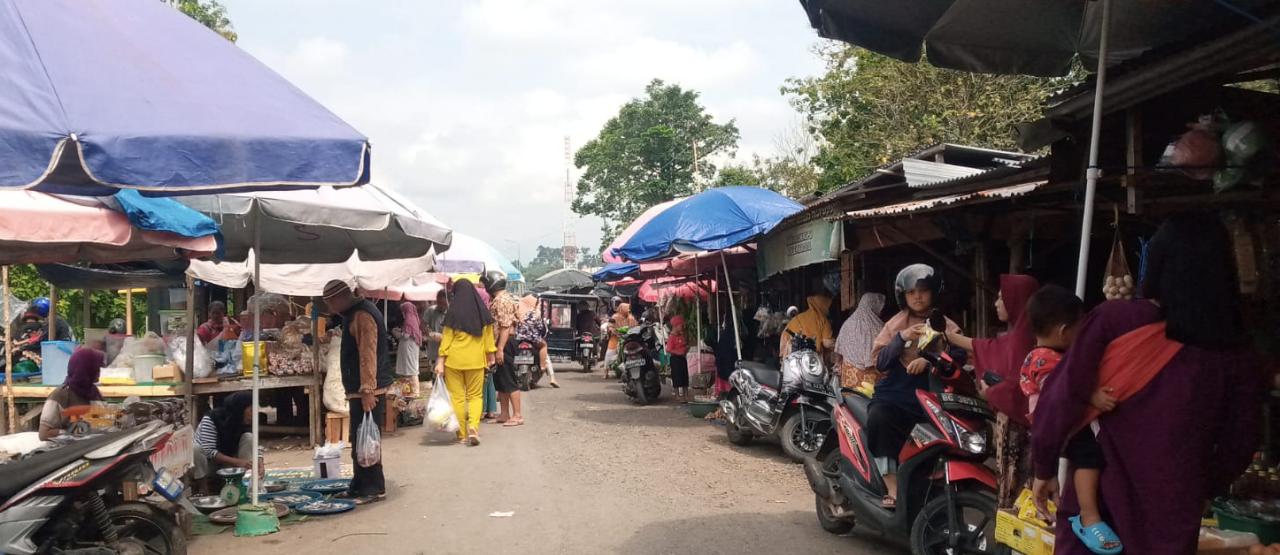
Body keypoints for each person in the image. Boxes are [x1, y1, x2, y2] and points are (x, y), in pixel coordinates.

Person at [1031, 213, 1261, 554]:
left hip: (1098, 498)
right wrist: (1201, 485)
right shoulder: (1235, 353)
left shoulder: (1117, 319)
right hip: (1172, 508)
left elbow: (1063, 393)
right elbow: (1241, 439)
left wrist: (1044, 466)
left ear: (1158, 264)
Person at [1017, 286, 1122, 553]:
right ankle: (1089, 517)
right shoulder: (1046, 360)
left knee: (1084, 460)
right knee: (1090, 457)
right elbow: (1062, 389)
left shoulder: (1036, 354)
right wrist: (1092, 396)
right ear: (1064, 332)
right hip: (1062, 425)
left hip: (1058, 426)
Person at [867, 264, 963, 509]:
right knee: (879, 418)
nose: (917, 296)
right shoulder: (895, 325)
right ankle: (892, 486)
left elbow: (961, 355)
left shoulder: (946, 325)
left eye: (923, 291)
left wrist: (929, 359)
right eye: (911, 292)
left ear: (933, 292)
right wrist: (902, 338)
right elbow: (880, 362)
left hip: (934, 394)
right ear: (904, 295)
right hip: (896, 393)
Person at [945, 274, 1040, 508]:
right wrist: (947, 336)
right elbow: (985, 346)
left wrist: (991, 393)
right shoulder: (1021, 334)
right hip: (1024, 425)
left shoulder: (1021, 340)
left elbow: (1015, 389)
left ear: (1016, 300)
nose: (996, 303)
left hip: (1017, 427)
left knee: (1015, 485)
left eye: (1001, 298)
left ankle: (1012, 539)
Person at [322, 280, 393, 504]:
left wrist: (367, 389)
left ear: (338, 299)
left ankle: (372, 487)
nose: (330, 308)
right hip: (360, 388)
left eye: (330, 303)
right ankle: (360, 484)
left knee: (367, 440)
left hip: (368, 388)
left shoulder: (362, 315)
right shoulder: (354, 314)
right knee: (360, 438)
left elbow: (367, 354)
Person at [435, 280, 497, 445]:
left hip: (453, 362)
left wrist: (440, 362)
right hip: (476, 361)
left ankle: (461, 434)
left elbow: (446, 341)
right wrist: (491, 356)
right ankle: (474, 429)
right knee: (475, 396)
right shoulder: (483, 314)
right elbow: (489, 340)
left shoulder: (452, 313)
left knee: (457, 397)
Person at [38, 348, 107, 441]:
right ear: (85, 369)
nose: (99, 373)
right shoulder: (60, 396)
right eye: (96, 368)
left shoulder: (94, 393)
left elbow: (105, 422)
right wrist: (74, 432)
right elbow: (44, 434)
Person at [193, 391, 255, 481]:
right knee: (196, 449)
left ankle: (242, 481)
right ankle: (203, 487)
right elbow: (209, 451)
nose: (253, 414)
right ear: (240, 409)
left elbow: (255, 446)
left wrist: (259, 462)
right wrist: (238, 462)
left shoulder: (243, 421)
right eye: (251, 410)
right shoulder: (211, 418)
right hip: (208, 466)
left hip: (228, 465)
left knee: (249, 437)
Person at [488, 276, 524, 426]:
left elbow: (505, 326)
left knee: (508, 379)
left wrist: (500, 349)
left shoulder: (502, 301)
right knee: (500, 379)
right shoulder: (502, 299)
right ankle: (504, 414)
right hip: (501, 341)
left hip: (505, 342)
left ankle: (517, 415)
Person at [833, 293, 886, 391]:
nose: (881, 312)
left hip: (849, 377)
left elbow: (838, 351)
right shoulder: (877, 327)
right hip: (870, 380)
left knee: (851, 402)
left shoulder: (847, 323)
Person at [515, 294, 560, 388]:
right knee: (544, 346)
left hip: (519, 339)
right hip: (533, 339)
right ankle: (543, 367)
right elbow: (541, 328)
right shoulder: (536, 313)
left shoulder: (518, 312)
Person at [780, 293, 835, 359]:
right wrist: (836, 344)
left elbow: (785, 334)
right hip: (811, 356)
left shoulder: (801, 316)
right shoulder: (824, 320)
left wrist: (784, 351)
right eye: (828, 306)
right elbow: (827, 343)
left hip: (792, 353)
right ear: (823, 306)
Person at [392, 301, 423, 397]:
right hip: (409, 348)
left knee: (411, 370)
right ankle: (408, 391)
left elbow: (406, 336)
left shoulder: (409, 320)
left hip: (409, 349)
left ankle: (415, 392)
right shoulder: (413, 319)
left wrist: (396, 333)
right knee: (408, 370)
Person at [604, 302, 637, 378]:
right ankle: (606, 372)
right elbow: (610, 326)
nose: (628, 310)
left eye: (629, 309)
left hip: (628, 338)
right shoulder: (615, 317)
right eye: (626, 309)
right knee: (609, 354)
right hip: (615, 338)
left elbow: (635, 326)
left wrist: (630, 318)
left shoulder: (631, 317)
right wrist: (614, 331)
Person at [423, 290, 449, 376]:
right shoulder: (431, 311)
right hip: (434, 349)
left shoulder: (451, 312)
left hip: (448, 351)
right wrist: (428, 332)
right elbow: (422, 325)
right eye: (439, 303)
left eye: (443, 303)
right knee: (435, 375)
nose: (441, 306)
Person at [666, 315, 690, 401]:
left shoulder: (681, 335)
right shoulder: (671, 337)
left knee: (684, 376)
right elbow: (668, 349)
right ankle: (677, 395)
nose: (682, 327)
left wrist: (686, 348)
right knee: (677, 377)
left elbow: (684, 345)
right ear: (675, 326)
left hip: (682, 358)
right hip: (675, 359)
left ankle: (686, 394)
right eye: (681, 325)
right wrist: (678, 352)